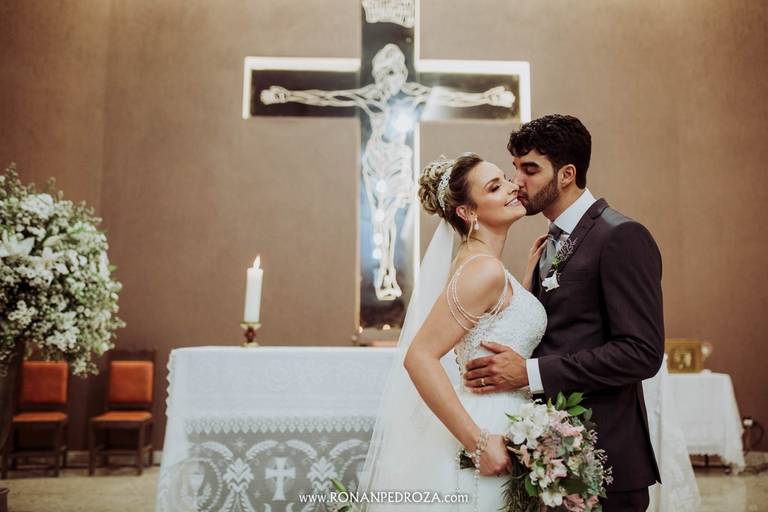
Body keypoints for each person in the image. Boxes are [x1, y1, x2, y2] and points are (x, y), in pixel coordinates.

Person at [463, 114, 664, 512]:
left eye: (530, 169)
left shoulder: (621, 236)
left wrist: (531, 373)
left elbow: (641, 352)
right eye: (515, 168)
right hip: (552, 460)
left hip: (604, 462)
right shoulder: (550, 243)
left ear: (567, 174)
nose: (517, 182)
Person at [359, 152, 548, 511]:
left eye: (505, 179)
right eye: (495, 187)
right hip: (489, 424)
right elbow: (419, 357)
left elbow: (495, 326)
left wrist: (523, 288)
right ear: (468, 212)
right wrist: (478, 443)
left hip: (503, 418)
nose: (512, 187)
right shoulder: (484, 270)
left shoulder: (481, 265)